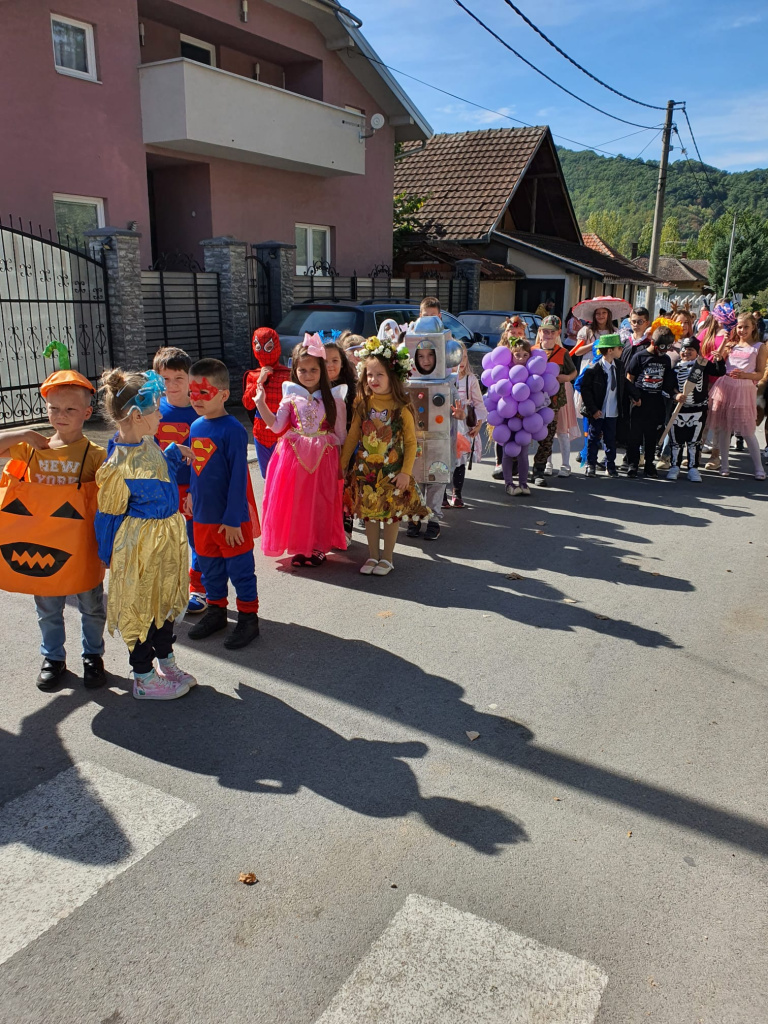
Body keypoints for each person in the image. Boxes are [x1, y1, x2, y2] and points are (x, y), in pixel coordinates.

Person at [0, 370, 107, 691]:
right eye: (54, 408)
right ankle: (53, 659)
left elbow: (109, 501)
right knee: (48, 610)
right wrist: (24, 433)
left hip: (82, 547)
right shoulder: (32, 449)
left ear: (87, 413)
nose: (61, 415)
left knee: (92, 607)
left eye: (70, 409)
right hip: (40, 547)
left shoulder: (95, 455)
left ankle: (93, 657)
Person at [95, 370, 195, 700]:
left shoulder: (149, 443)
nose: (161, 415)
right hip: (139, 549)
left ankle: (165, 661)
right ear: (137, 416)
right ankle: (143, 676)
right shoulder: (117, 466)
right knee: (140, 610)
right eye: (156, 409)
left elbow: (158, 472)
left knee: (165, 604)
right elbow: (107, 517)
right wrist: (108, 557)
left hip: (166, 541)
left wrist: (172, 454)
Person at [185, 359, 261, 649]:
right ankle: (216, 611)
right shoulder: (195, 427)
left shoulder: (233, 430)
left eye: (204, 392)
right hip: (202, 517)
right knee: (210, 568)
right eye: (192, 392)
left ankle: (248, 619)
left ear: (224, 394)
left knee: (240, 570)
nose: (196, 399)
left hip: (231, 520)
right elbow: (196, 467)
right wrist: (191, 494)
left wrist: (231, 520)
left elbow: (239, 478)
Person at [256, 334, 348, 566]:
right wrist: (260, 403)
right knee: (298, 502)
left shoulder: (334, 398)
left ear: (322, 370)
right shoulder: (291, 397)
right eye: (302, 370)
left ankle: (318, 546)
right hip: (294, 457)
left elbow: (340, 435)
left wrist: (342, 465)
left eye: (313, 370)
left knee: (320, 502)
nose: (308, 375)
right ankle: (301, 545)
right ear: (294, 371)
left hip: (324, 458)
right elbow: (277, 426)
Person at [341, 337, 429, 576]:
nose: (373, 379)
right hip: (367, 472)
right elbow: (353, 435)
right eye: (369, 374)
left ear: (392, 376)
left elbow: (410, 442)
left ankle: (387, 558)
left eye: (379, 374)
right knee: (370, 515)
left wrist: (406, 472)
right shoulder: (363, 403)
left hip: (393, 473)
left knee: (390, 516)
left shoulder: (401, 406)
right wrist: (343, 463)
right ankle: (372, 555)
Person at [152, 346, 206, 615]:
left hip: (193, 488)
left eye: (178, 378)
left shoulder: (200, 410)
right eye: (165, 379)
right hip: (162, 489)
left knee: (197, 539)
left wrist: (196, 490)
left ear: (190, 378)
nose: (171, 385)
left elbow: (204, 457)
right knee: (165, 541)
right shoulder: (152, 410)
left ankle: (199, 588)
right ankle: (170, 588)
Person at [707, 313, 767, 479]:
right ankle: (725, 465)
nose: (742, 330)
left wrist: (744, 375)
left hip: (744, 389)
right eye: (739, 327)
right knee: (724, 428)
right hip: (725, 386)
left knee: (747, 429)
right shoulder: (731, 345)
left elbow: (760, 373)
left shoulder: (759, 347)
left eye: (746, 327)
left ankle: (759, 468)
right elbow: (718, 361)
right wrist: (724, 344)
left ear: (753, 327)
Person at [666, 337, 726, 482]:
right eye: (684, 349)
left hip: (698, 410)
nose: (686, 352)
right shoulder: (674, 368)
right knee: (676, 442)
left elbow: (719, 372)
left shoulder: (703, 365)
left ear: (697, 352)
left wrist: (719, 360)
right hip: (679, 411)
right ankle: (674, 466)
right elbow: (666, 388)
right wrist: (675, 395)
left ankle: (693, 468)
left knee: (694, 442)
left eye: (690, 349)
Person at [625, 326, 678, 478]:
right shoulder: (640, 357)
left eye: (667, 348)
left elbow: (667, 381)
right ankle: (633, 464)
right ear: (653, 343)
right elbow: (630, 378)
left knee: (651, 436)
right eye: (661, 347)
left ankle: (649, 464)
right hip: (639, 402)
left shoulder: (665, 359)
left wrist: (673, 393)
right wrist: (633, 397)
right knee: (635, 435)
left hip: (655, 403)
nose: (664, 351)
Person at [531, 315, 577, 486]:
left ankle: (539, 470)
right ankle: (517, 467)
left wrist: (566, 378)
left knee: (548, 435)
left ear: (558, 333)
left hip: (553, 402)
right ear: (540, 332)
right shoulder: (532, 351)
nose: (548, 335)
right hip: (532, 400)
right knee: (526, 432)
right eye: (545, 331)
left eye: (552, 332)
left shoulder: (562, 353)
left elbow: (573, 372)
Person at [242, 328, 291, 478]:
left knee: (284, 475)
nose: (263, 352)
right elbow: (248, 404)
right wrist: (259, 381)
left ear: (276, 346)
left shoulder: (288, 374)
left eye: (269, 347)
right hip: (261, 433)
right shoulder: (252, 375)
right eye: (259, 347)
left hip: (284, 432)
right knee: (267, 476)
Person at [579, 335, 625, 478]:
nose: (621, 350)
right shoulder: (593, 369)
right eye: (619, 348)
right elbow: (585, 390)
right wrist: (593, 409)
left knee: (611, 439)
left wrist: (635, 395)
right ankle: (590, 464)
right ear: (610, 350)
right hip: (598, 411)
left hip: (613, 410)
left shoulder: (619, 366)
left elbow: (624, 383)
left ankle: (610, 466)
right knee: (593, 438)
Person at [700, 303, 738, 471]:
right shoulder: (706, 333)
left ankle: (715, 455)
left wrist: (727, 341)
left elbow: (724, 358)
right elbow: (696, 351)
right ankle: (696, 453)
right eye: (719, 311)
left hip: (722, 382)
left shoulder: (733, 335)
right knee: (702, 418)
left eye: (726, 310)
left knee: (717, 420)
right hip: (704, 380)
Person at [450, 343, 486, 506]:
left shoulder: (470, 379)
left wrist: (478, 425)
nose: (462, 361)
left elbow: (479, 404)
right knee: (443, 459)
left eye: (464, 357)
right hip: (444, 422)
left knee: (461, 458)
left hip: (463, 425)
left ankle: (457, 493)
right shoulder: (443, 378)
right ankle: (441, 495)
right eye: (458, 357)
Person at [492, 317, 528, 478]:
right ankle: (500, 463)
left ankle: (516, 464)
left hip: (521, 398)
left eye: (519, 333)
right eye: (512, 332)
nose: (516, 335)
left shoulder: (526, 351)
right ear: (506, 333)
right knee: (501, 430)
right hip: (504, 397)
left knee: (518, 431)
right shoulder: (500, 351)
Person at [502, 339, 534, 496]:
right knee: (508, 452)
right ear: (511, 355)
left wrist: (527, 411)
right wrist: (511, 412)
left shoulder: (533, 374)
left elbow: (540, 397)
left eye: (525, 355)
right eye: (517, 355)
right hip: (507, 420)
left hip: (525, 420)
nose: (521, 358)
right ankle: (508, 483)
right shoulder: (505, 372)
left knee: (523, 453)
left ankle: (523, 483)